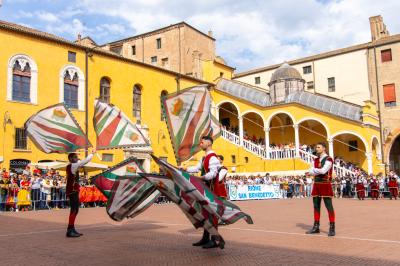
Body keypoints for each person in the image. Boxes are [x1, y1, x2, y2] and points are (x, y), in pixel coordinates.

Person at [185, 136, 224, 249]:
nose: (200, 144)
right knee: (205, 214)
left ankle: (214, 240)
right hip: (205, 190)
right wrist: (185, 169)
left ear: (209, 143)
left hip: (211, 191)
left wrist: (201, 178)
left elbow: (213, 174)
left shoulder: (213, 158)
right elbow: (197, 168)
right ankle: (206, 238)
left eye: (202, 142)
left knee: (211, 215)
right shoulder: (204, 158)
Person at [305, 142, 335, 237]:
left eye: (318, 147)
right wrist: (314, 171)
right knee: (316, 206)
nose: (316, 148)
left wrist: (313, 170)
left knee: (328, 206)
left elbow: (323, 171)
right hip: (317, 184)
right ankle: (316, 226)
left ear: (324, 148)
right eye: (316, 147)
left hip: (325, 184)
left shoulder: (329, 159)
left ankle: (332, 227)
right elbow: (311, 171)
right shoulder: (315, 159)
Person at [66, 149, 95, 238]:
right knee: (74, 209)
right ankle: (70, 230)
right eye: (75, 157)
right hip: (72, 190)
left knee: (76, 209)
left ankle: (71, 228)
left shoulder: (72, 166)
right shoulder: (73, 165)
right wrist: (92, 154)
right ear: (70, 158)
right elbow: (84, 161)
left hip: (73, 190)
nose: (77, 158)